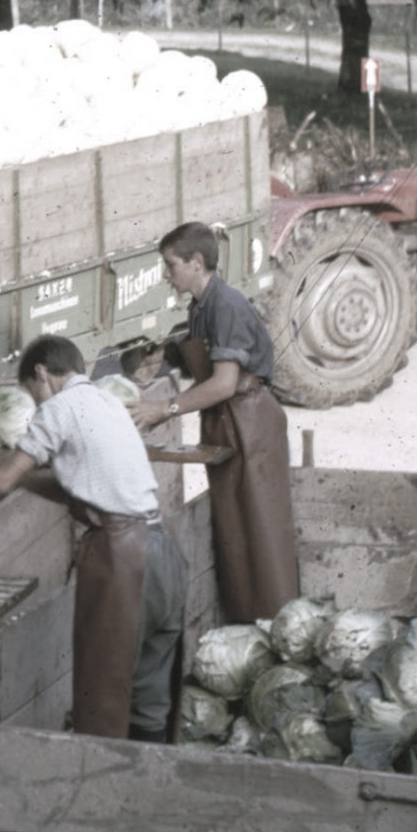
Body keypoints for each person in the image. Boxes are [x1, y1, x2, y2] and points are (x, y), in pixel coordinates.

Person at [0, 335, 187, 742]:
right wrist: (14, 476)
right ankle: (149, 789)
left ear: (42, 374)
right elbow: (76, 488)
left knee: (103, 693)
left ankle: (102, 794)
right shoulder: (105, 403)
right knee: (149, 696)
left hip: (125, 561)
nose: (34, 403)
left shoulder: (58, 408)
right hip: (163, 552)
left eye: (31, 392)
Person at [130, 221, 298, 624]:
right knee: (235, 531)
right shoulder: (200, 307)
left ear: (197, 261)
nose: (167, 276)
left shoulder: (227, 305)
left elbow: (223, 383)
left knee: (261, 530)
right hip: (224, 422)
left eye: (171, 266)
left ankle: (281, 626)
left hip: (250, 421)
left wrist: (164, 409)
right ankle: (249, 626)